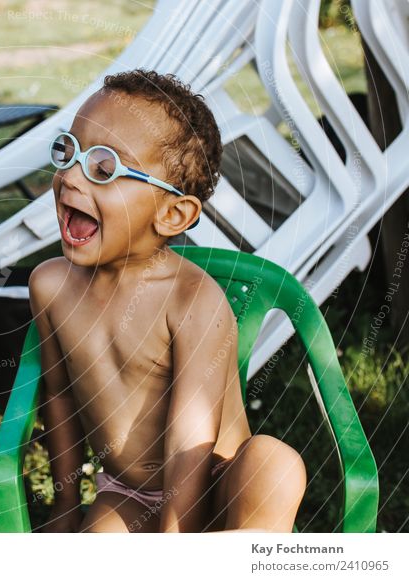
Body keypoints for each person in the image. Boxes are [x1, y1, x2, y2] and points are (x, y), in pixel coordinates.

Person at [29, 69, 307, 533]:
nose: (72, 177)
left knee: (275, 465)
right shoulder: (51, 287)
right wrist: (64, 509)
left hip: (221, 483)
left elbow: (188, 438)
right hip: (131, 494)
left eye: (104, 168)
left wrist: (174, 546)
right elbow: (58, 396)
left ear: (173, 213)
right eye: (69, 151)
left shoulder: (192, 300)